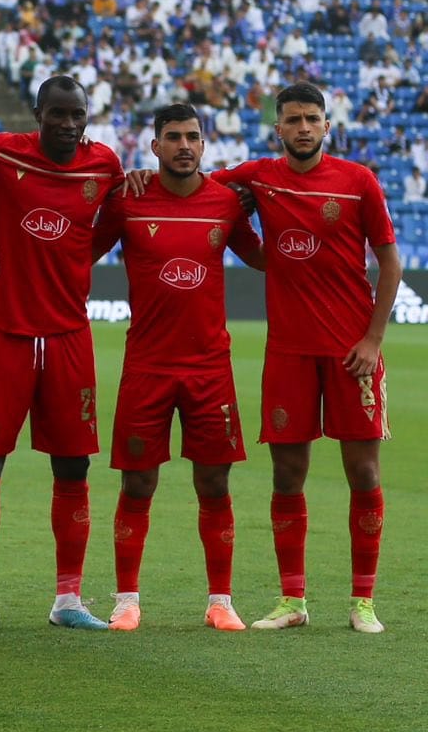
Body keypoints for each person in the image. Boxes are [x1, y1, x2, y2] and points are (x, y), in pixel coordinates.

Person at [212, 82, 401, 633]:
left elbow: (390, 267)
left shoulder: (357, 182)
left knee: (363, 473)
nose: (302, 127)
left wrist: (372, 342)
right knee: (287, 475)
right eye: (292, 119)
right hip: (288, 354)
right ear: (278, 128)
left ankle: (363, 602)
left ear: (326, 125)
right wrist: (245, 231)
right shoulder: (258, 176)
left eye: (311, 119)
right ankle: (292, 601)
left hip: (352, 355)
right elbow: (198, 192)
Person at [92, 105, 263, 631]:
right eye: (173, 137)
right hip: (147, 365)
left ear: (205, 145)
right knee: (137, 484)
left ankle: (221, 601)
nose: (184, 145)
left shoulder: (226, 202)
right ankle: (126, 600)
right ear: (155, 147)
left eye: (192, 136)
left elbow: (262, 257)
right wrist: (14, 258)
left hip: (211, 367)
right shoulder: (129, 198)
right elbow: (80, 250)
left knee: (215, 484)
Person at [0, 77, 123, 631]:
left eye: (76, 114)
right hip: (7, 334)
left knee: (73, 465)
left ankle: (69, 599)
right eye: (56, 114)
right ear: (38, 115)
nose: (67, 124)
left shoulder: (104, 164)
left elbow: (110, 223)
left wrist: (69, 256)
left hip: (69, 338)